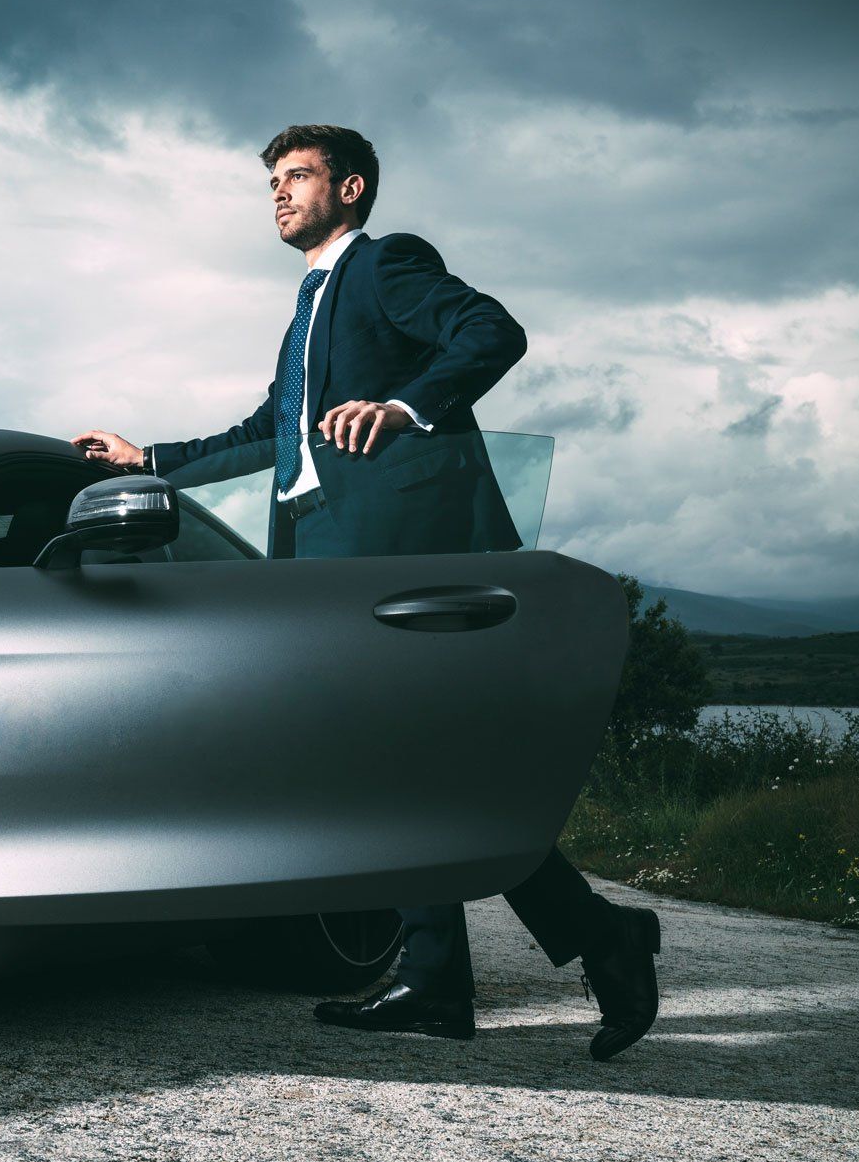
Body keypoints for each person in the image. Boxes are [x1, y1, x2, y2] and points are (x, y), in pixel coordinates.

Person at [71, 124, 661, 1061]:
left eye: (297, 175)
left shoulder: (386, 266)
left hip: (399, 555)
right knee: (407, 765)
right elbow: (272, 429)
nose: (278, 192)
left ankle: (521, 955)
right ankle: (506, 960)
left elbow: (491, 330)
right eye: (271, 179)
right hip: (320, 556)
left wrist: (404, 406)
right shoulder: (307, 309)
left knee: (401, 761)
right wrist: (154, 461)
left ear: (349, 190)